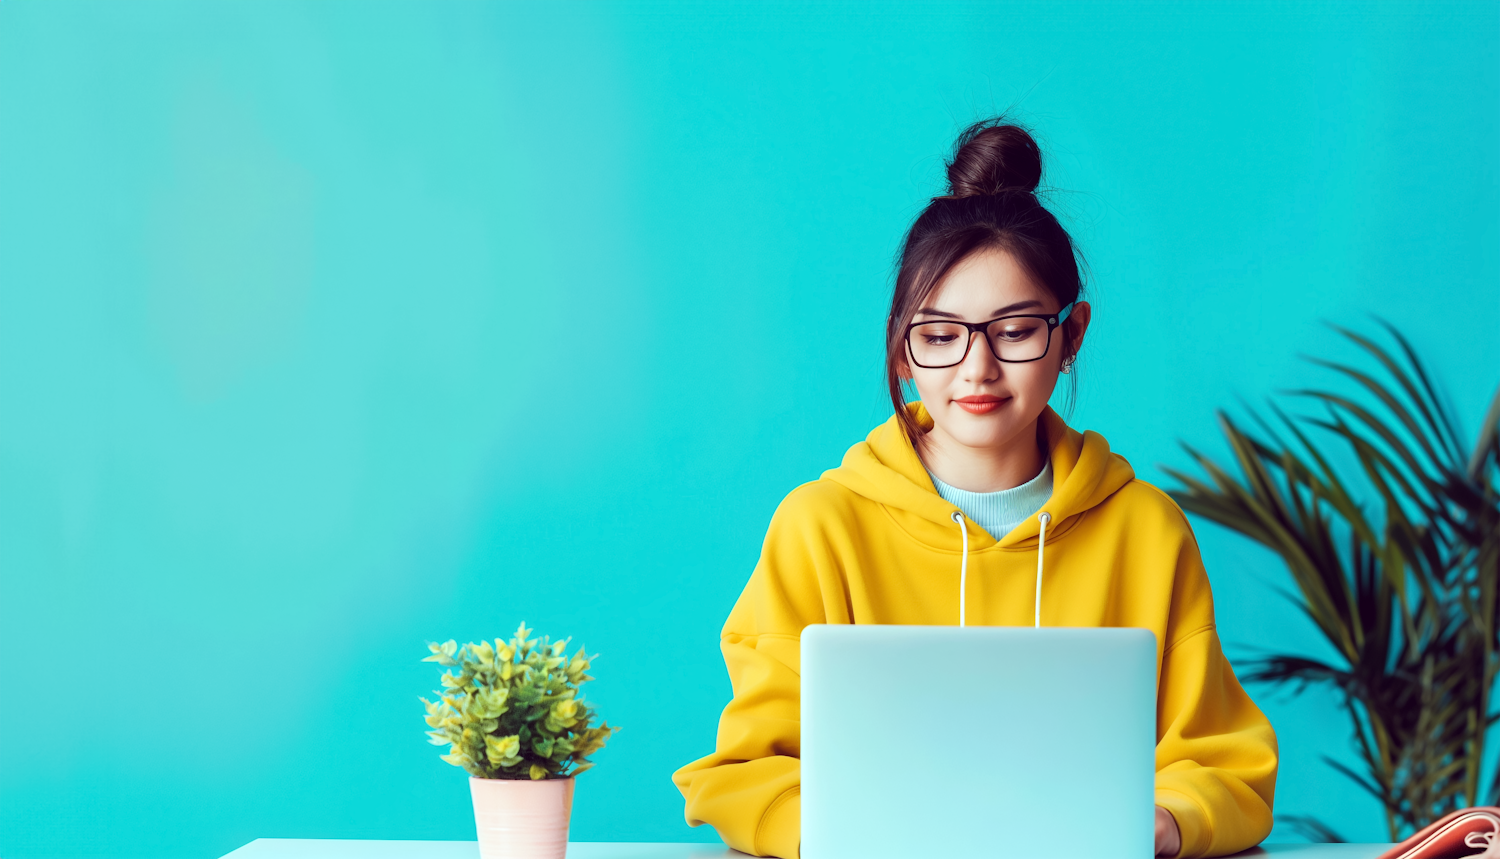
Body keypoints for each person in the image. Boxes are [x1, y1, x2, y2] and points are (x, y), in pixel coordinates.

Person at [671, 119, 1278, 859]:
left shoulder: (1147, 531)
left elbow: (1224, 764)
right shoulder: (819, 527)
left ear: (1072, 334)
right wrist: (835, 834)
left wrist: (1164, 820)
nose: (977, 369)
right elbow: (745, 773)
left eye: (1015, 329)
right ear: (902, 349)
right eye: (940, 334)